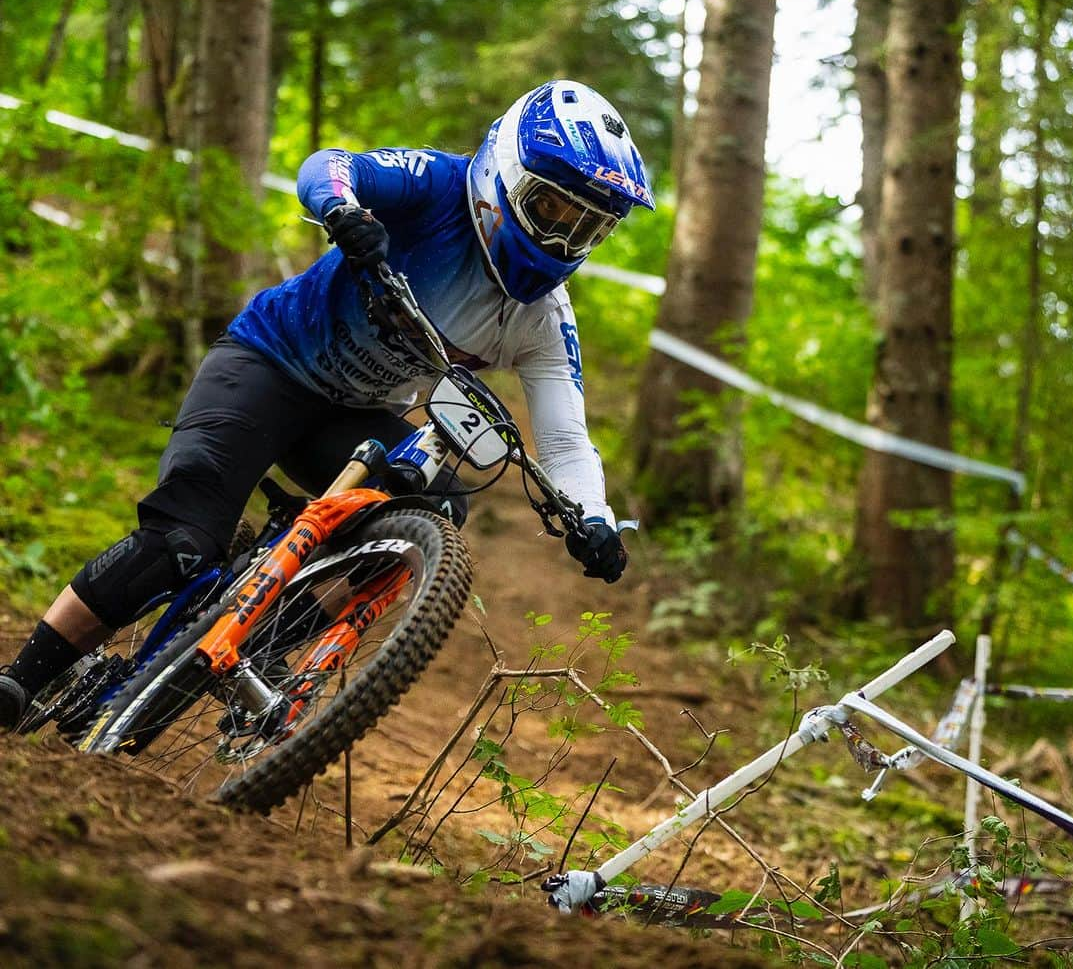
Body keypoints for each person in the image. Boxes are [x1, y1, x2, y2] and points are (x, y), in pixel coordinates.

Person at [0, 79, 655, 729]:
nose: (562, 241)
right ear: (506, 174)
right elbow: (330, 167)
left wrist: (594, 518)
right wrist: (344, 211)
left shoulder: (540, 319)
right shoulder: (437, 187)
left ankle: (255, 646)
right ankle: (20, 679)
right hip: (266, 365)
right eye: (552, 210)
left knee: (437, 502)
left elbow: (567, 440)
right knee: (181, 540)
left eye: (587, 228)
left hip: (350, 418)